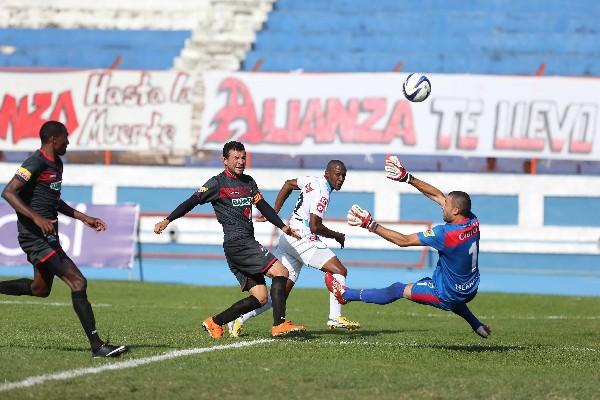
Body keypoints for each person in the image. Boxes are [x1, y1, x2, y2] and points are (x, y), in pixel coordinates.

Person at [0, 121, 128, 357]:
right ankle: (98, 346)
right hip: (34, 236)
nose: (68, 141)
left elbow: (53, 201)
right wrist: (37, 218)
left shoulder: (56, 163)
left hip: (48, 236)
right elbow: (8, 192)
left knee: (40, 289)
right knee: (78, 282)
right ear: (53, 140)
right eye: (66, 137)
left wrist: (83, 217)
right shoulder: (35, 162)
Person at [325, 156, 492, 338]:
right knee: (454, 292)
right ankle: (477, 325)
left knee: (398, 289)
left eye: (447, 206)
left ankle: (345, 294)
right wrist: (407, 178)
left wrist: (370, 225)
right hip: (471, 287)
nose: (443, 207)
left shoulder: (444, 234)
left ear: (455, 211)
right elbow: (437, 195)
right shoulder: (472, 221)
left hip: (447, 292)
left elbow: (403, 241)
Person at [154, 141, 305, 338]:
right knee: (281, 272)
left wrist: (283, 226)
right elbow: (191, 201)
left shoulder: (249, 182)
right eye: (236, 158)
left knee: (260, 297)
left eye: (243, 158)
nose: (241, 162)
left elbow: (264, 206)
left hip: (242, 245)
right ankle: (279, 324)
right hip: (239, 244)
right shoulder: (217, 183)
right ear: (225, 160)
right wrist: (168, 220)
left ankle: (215, 322)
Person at [228, 160, 360, 337]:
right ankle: (335, 317)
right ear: (327, 173)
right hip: (302, 238)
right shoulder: (323, 193)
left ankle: (238, 319)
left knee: (279, 295)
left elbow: (288, 184)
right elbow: (315, 226)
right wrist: (337, 235)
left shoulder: (312, 180)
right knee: (339, 271)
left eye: (343, 175)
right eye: (337, 174)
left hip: (289, 237)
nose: (341, 178)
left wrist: (274, 211)